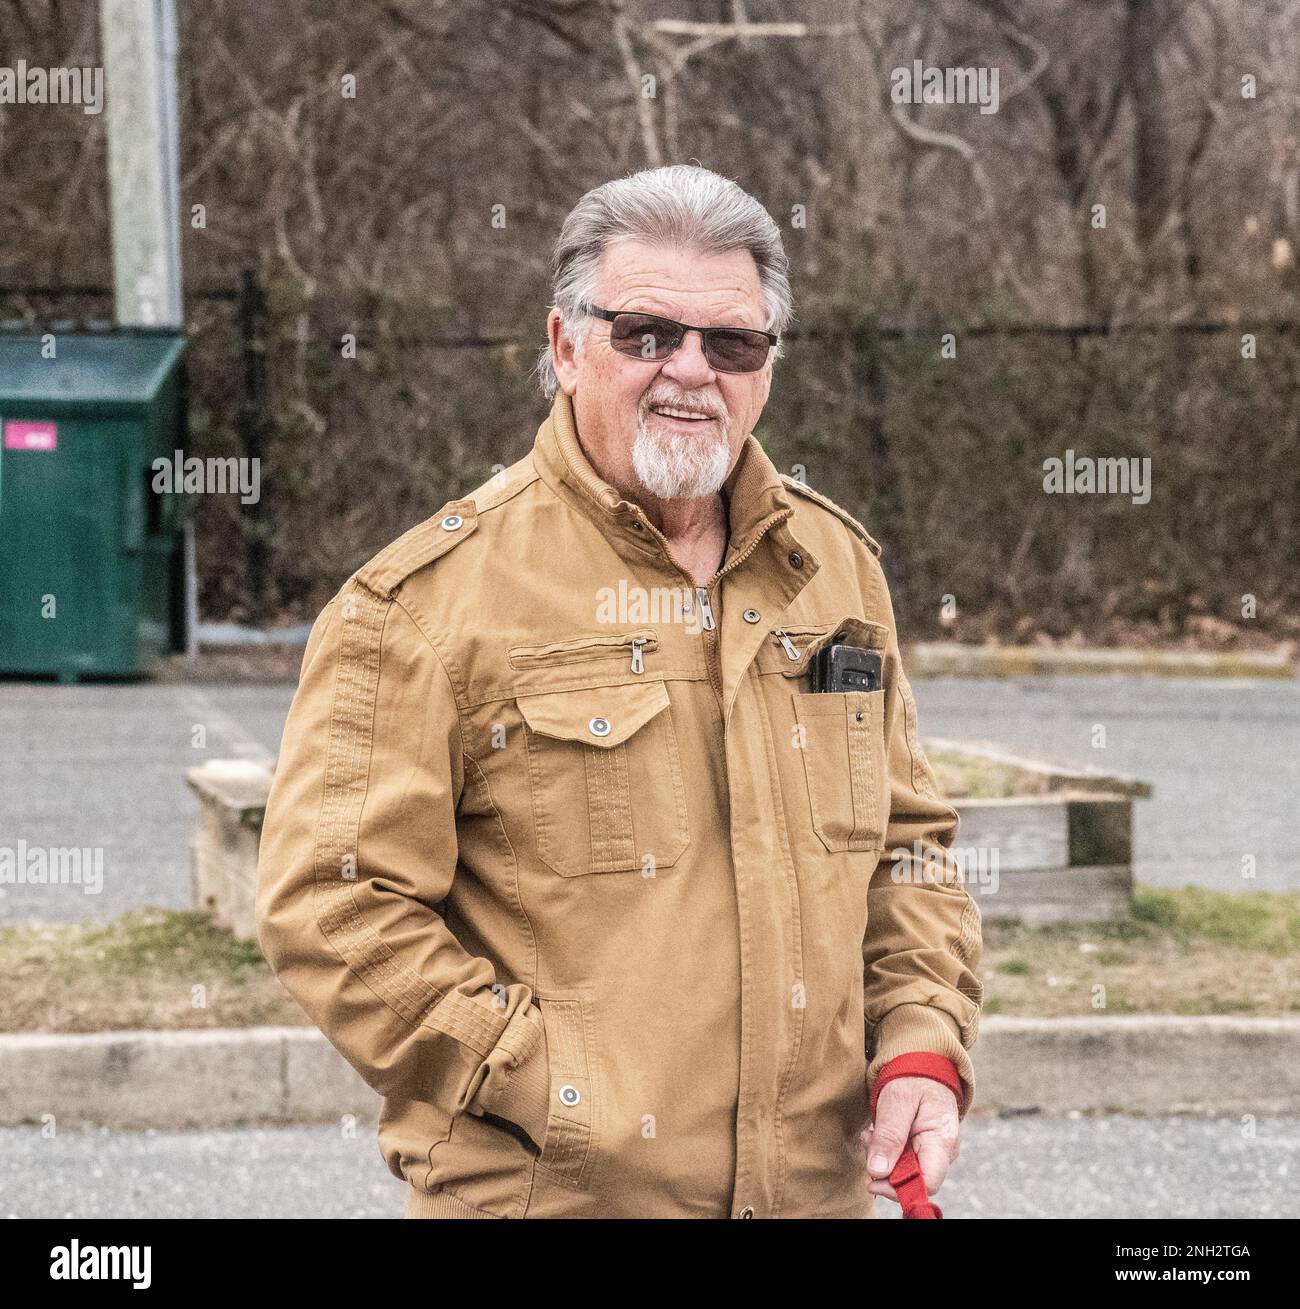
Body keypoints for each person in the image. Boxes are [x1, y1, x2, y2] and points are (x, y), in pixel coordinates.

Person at [255, 163, 983, 1219]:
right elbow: (332, 898)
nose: (690, 370)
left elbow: (907, 842)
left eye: (730, 343)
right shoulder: (423, 603)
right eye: (644, 333)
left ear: (766, 366)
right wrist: (536, 1080)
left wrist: (918, 1041)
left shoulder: (834, 569)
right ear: (564, 349)